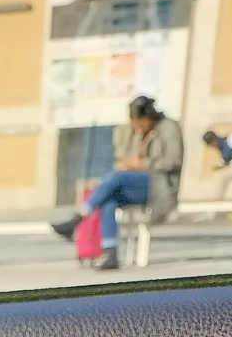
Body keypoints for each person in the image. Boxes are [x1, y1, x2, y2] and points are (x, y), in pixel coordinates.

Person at [52, 94, 184, 270]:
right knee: (109, 199)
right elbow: (125, 155)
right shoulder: (138, 132)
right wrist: (128, 163)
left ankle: (77, 218)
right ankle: (110, 252)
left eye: (139, 121)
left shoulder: (169, 128)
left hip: (160, 186)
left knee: (115, 178)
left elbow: (174, 161)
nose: (136, 126)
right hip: (137, 184)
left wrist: (142, 164)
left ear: (148, 117)